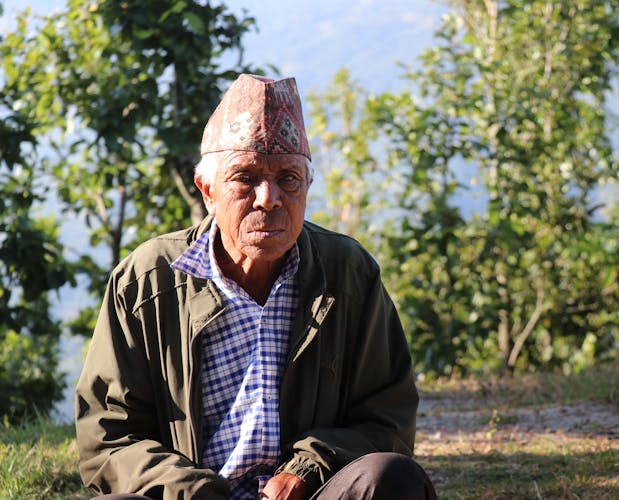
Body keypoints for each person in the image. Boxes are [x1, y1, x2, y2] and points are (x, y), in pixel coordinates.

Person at [74, 74, 436, 500]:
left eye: (288, 179)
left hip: (313, 494)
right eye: (244, 177)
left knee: (390, 477)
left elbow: (387, 419)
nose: (269, 198)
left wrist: (308, 469)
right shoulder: (146, 280)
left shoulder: (348, 274)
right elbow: (108, 439)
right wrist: (193, 490)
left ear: (307, 187)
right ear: (207, 190)